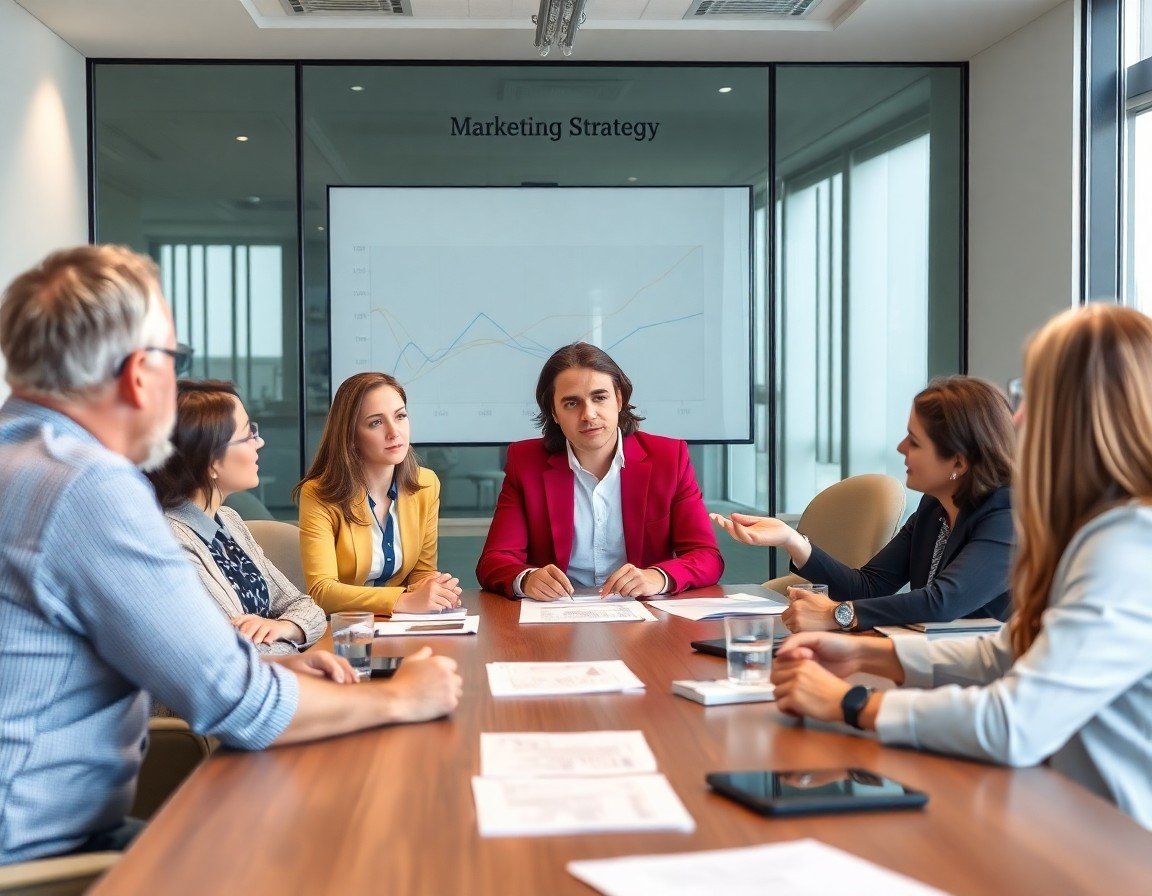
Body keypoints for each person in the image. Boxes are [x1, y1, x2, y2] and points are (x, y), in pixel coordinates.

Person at [0, 246, 462, 865]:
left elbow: (209, 667)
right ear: (141, 372)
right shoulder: (87, 485)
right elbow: (234, 703)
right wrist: (404, 696)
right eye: (175, 358)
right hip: (40, 851)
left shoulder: (23, 459)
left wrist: (263, 667)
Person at [771, 304, 1152, 829]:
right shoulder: (1098, 529)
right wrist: (864, 653)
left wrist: (853, 703)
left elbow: (1012, 724)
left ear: (1082, 416)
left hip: (1113, 843)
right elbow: (1009, 652)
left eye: (1030, 396)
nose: (1015, 418)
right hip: (1064, 814)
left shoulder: (1128, 546)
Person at [712, 376, 1014, 631]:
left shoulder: (1008, 516)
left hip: (995, 687)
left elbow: (942, 602)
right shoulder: (934, 508)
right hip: (934, 668)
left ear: (958, 462)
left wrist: (838, 615)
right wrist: (792, 540)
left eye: (915, 441)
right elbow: (869, 586)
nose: (901, 448)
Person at [476, 342, 723, 600]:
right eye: (572, 403)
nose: (589, 414)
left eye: (599, 397)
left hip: (644, 616)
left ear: (619, 399)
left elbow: (706, 556)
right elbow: (494, 560)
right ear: (554, 412)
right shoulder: (525, 462)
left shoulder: (669, 458)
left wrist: (658, 577)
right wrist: (526, 579)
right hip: (558, 621)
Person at [147, 380, 325, 655]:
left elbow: (307, 608)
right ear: (212, 462)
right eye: (248, 434)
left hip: (277, 682)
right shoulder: (171, 545)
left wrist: (288, 626)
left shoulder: (229, 521)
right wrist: (297, 645)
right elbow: (233, 661)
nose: (260, 442)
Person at [295, 372, 461, 615]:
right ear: (351, 437)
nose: (394, 432)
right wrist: (402, 600)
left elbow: (421, 573)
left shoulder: (426, 484)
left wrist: (435, 589)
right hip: (345, 629)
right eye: (376, 422)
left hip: (401, 625)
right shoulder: (319, 494)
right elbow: (322, 591)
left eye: (400, 416)